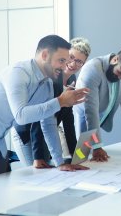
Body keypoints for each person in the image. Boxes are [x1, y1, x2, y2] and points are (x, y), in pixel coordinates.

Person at [0, 35, 90, 185]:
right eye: (62, 60)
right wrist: (60, 101)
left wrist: (60, 162)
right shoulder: (18, 72)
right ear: (44, 55)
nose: (65, 66)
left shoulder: (47, 84)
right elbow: (21, 116)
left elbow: (48, 122)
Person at [11, 37, 92, 167]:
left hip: (46, 130)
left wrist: (75, 156)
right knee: (36, 173)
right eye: (71, 57)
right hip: (26, 132)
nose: (73, 64)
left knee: (53, 168)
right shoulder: (52, 78)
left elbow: (67, 116)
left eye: (79, 61)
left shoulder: (72, 78)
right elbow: (39, 116)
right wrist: (37, 156)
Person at [73, 47, 121, 162]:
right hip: (83, 113)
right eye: (119, 73)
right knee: (80, 156)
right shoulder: (93, 69)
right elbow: (91, 111)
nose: (120, 78)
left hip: (99, 115)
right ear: (115, 59)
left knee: (93, 160)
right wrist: (97, 146)